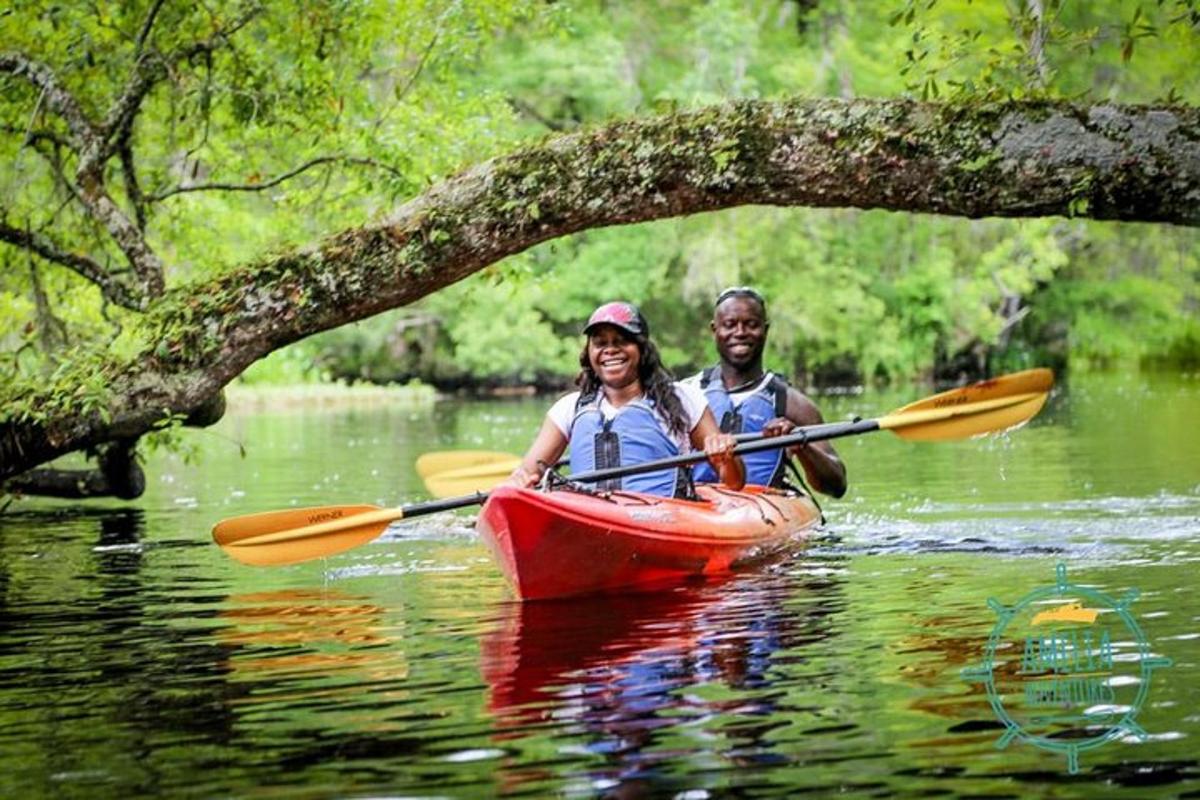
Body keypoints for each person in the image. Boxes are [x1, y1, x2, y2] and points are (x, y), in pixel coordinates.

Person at [508, 301, 745, 496]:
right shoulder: (569, 408)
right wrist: (514, 487)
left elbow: (734, 483)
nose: (610, 350)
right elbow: (527, 474)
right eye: (601, 343)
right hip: (590, 517)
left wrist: (725, 457)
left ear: (642, 349)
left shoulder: (682, 400)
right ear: (589, 353)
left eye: (621, 341)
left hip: (664, 519)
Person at [688, 287, 847, 497]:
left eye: (751, 325)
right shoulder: (687, 394)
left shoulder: (793, 405)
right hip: (696, 507)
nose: (740, 332)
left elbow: (837, 487)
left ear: (765, 330)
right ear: (714, 329)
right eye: (730, 325)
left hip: (763, 508)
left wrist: (800, 444)